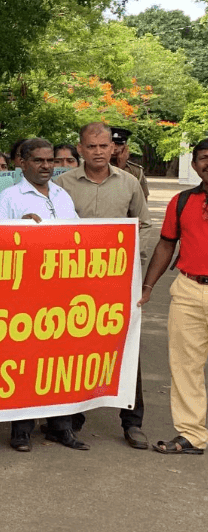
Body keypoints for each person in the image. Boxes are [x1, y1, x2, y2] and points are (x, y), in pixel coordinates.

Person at [54, 121, 151, 450]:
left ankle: (132, 422)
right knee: (73, 347)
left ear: (114, 148)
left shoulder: (129, 183)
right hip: (72, 281)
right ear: (80, 149)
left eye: (103, 146)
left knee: (126, 345)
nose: (98, 152)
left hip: (117, 281)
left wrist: (133, 260)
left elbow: (144, 224)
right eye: (91, 146)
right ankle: (71, 417)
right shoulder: (62, 184)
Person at [0, 138, 85, 451]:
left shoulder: (61, 194)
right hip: (26, 295)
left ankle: (60, 426)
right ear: (22, 162)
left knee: (60, 362)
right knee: (26, 362)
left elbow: (79, 235)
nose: (46, 166)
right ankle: (22, 430)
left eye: (50, 160)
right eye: (39, 161)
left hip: (62, 292)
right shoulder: (9, 197)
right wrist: (16, 227)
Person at [139, 138, 208, 455]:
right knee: (185, 365)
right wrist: (148, 286)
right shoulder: (181, 201)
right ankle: (192, 434)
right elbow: (166, 243)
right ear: (194, 165)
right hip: (188, 289)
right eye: (203, 158)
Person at [109, 126, 149, 199]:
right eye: (112, 144)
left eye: (119, 144)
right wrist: (120, 167)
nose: (115, 148)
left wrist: (122, 165)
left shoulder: (136, 171)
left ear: (126, 147)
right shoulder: (94, 168)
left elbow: (142, 200)